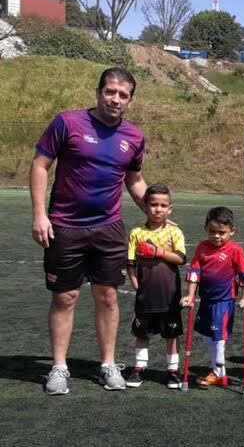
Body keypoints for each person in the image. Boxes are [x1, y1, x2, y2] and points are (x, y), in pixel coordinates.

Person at [30, 67, 147, 395]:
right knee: (65, 297)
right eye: (110, 91)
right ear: (98, 93)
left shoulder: (134, 137)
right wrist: (39, 215)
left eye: (123, 95)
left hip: (108, 229)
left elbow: (135, 180)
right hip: (64, 226)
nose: (115, 99)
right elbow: (40, 165)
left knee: (108, 297)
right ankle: (59, 367)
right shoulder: (67, 123)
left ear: (130, 101)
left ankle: (108, 364)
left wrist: (155, 212)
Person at [180, 207, 244, 389]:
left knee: (219, 337)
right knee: (207, 336)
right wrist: (190, 295)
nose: (217, 236)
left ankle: (219, 368)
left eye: (222, 232)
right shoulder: (202, 247)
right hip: (206, 301)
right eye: (212, 231)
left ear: (232, 231)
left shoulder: (235, 250)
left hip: (224, 301)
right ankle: (219, 373)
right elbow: (194, 273)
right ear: (206, 228)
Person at [125, 183, 186, 389]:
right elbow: (131, 262)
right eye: (153, 204)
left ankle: (172, 371)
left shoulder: (174, 232)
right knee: (142, 333)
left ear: (170, 209)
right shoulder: (136, 233)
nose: (158, 209)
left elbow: (181, 258)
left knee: (172, 334)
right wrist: (135, 282)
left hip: (169, 294)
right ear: (145, 206)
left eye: (163, 205)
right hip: (146, 295)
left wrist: (159, 252)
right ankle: (139, 368)